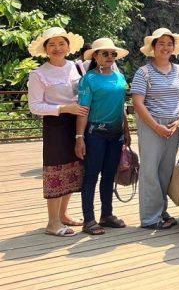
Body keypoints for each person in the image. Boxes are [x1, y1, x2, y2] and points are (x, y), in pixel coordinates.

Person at [27, 27, 87, 237]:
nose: (57, 48)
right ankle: (52, 222)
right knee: (55, 170)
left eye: (61, 43)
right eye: (51, 44)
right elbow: (34, 106)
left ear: (68, 46)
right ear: (45, 49)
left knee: (72, 169)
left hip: (78, 123)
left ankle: (63, 214)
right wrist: (62, 109)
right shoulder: (39, 74)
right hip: (55, 126)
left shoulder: (77, 67)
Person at [131, 27, 179, 229]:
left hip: (174, 125)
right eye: (161, 43)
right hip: (150, 124)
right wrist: (156, 126)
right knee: (149, 170)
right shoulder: (144, 72)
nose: (165, 47)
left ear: (174, 48)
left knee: (166, 170)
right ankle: (149, 218)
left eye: (169, 44)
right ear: (153, 47)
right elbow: (138, 103)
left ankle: (161, 211)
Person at [75, 38, 131, 235]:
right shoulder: (89, 79)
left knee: (109, 175)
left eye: (113, 54)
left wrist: (126, 129)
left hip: (116, 134)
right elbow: (83, 109)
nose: (109, 57)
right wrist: (79, 137)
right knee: (91, 175)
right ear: (95, 56)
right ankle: (88, 219)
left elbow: (121, 106)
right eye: (105, 53)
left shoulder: (119, 77)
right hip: (95, 133)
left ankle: (106, 215)